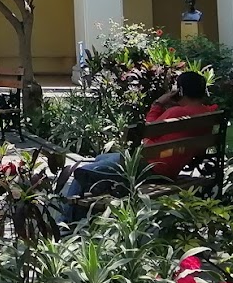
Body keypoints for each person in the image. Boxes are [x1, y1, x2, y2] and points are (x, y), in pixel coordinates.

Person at [56, 70, 220, 219]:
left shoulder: (176, 113)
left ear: (180, 91)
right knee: (100, 158)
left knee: (82, 172)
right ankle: (90, 210)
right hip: (170, 167)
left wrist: (158, 104)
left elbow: (148, 134)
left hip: (149, 168)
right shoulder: (209, 113)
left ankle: (65, 224)